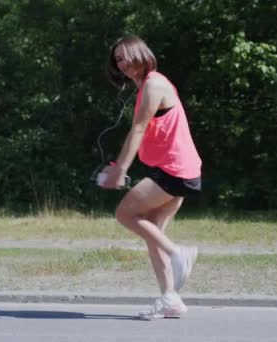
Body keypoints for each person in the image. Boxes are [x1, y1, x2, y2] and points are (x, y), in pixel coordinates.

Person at [100, 34, 202, 320]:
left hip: (175, 171)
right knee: (152, 233)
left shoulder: (154, 83)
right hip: (174, 169)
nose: (123, 63)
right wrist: (117, 164)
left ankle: (178, 252)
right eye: (118, 59)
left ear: (141, 53)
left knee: (124, 214)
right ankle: (170, 299)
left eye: (127, 55)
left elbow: (139, 129)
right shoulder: (147, 86)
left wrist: (121, 170)